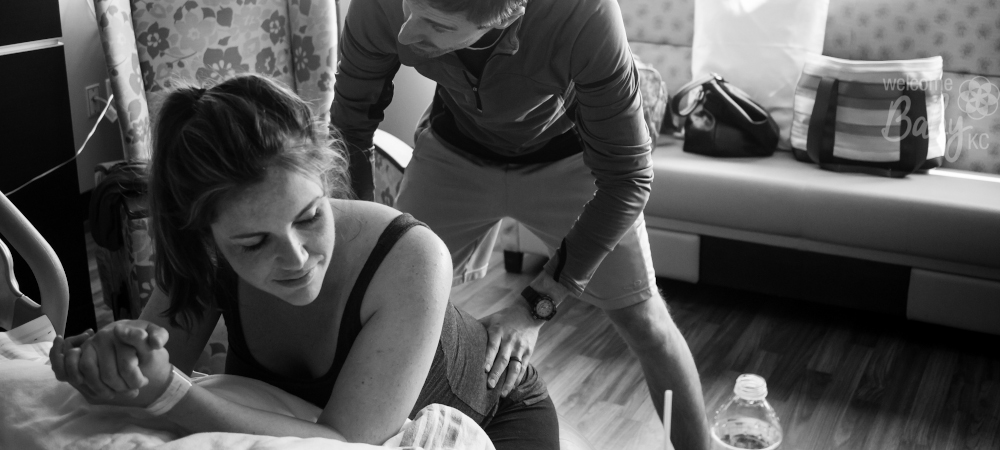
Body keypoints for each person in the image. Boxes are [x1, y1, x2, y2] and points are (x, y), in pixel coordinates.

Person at [49, 74, 558, 449]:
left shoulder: (413, 257)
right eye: (252, 244)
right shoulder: (203, 257)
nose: (296, 257)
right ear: (204, 237)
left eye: (311, 216)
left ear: (324, 178)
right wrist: (104, 363)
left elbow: (343, 443)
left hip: (500, 418)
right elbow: (154, 364)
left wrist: (171, 395)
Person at [331, 0, 711, 448]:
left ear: (508, 16)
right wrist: (365, 237)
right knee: (368, 294)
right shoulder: (381, 5)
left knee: (645, 320)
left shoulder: (584, 12)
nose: (407, 33)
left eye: (435, 24)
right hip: (453, 152)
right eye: (409, 8)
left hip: (570, 159)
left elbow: (628, 177)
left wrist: (537, 305)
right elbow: (350, 127)